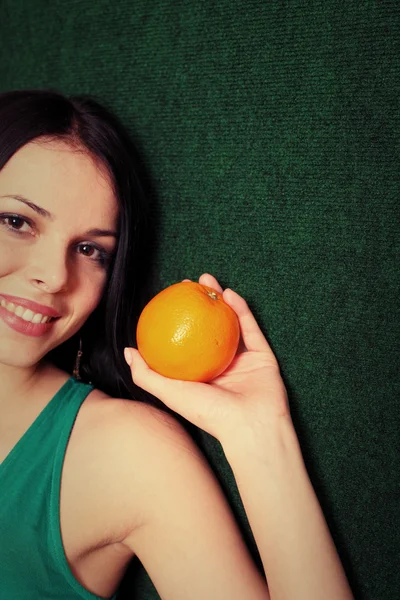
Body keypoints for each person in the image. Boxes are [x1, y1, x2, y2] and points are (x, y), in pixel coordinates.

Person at [0, 88, 354, 600]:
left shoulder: (124, 454)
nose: (55, 277)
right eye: (16, 222)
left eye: (89, 250)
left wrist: (258, 437)